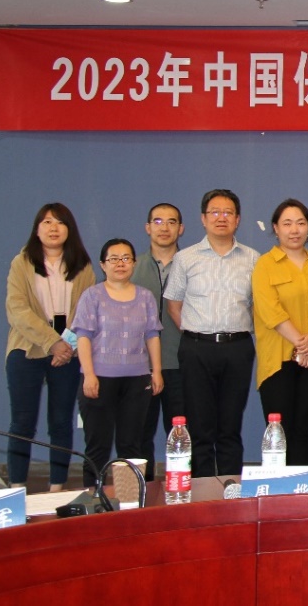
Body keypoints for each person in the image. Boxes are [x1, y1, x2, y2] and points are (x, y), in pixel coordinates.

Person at [166, 189, 260, 478]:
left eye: (228, 212)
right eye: (215, 212)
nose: (222, 218)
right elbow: (174, 305)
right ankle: (202, 490)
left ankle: (231, 487)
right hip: (197, 348)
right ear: (203, 219)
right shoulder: (185, 258)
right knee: (199, 426)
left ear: (237, 219)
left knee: (230, 426)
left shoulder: (253, 259)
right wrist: (197, 333)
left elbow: (258, 306)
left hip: (237, 348)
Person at [4, 203, 95, 490]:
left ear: (70, 229)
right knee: (22, 422)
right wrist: (51, 342)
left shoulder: (83, 265)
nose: (53, 228)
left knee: (61, 422)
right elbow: (17, 309)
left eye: (60, 222)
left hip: (68, 353)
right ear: (37, 229)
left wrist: (66, 345)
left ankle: (57, 487)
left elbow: (87, 311)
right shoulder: (21, 263)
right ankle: (17, 488)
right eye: (46, 222)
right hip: (27, 349)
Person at [72, 238, 164, 486]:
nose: (120, 264)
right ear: (103, 265)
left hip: (137, 380)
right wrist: (89, 375)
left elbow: (152, 336)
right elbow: (83, 337)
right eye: (113, 259)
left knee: (131, 445)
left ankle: (131, 498)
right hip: (99, 379)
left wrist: (156, 371)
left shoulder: (145, 297)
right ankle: (93, 496)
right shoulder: (92, 296)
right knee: (97, 445)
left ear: (134, 263)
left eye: (126, 258)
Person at [251, 198, 308, 466]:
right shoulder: (265, 264)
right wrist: (302, 344)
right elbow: (270, 311)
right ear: (276, 228)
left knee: (305, 431)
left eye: (300, 223)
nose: (294, 230)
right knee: (279, 432)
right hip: (278, 359)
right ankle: (278, 489)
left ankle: (303, 488)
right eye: (287, 224)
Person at [132, 203, 185, 482]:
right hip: (139, 365)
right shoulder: (131, 266)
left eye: (172, 222)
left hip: (181, 362)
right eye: (158, 221)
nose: (165, 228)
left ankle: (184, 492)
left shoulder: (192, 264)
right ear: (147, 227)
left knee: (182, 435)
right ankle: (144, 491)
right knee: (139, 435)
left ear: (181, 228)